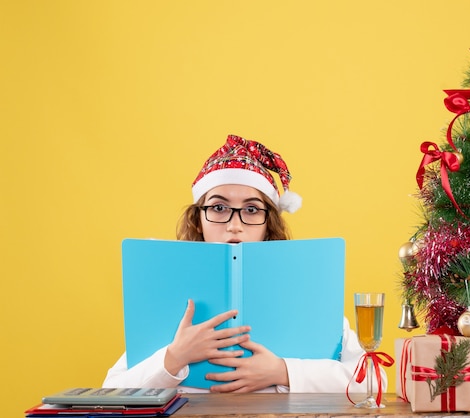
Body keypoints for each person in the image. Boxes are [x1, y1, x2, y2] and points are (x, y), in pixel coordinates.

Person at [103, 134, 387, 394]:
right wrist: (174, 357)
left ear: (269, 223)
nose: (234, 225)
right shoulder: (167, 292)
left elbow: (374, 380)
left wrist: (283, 371)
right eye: (218, 207)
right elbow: (111, 391)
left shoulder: (307, 292)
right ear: (198, 220)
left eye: (251, 210)